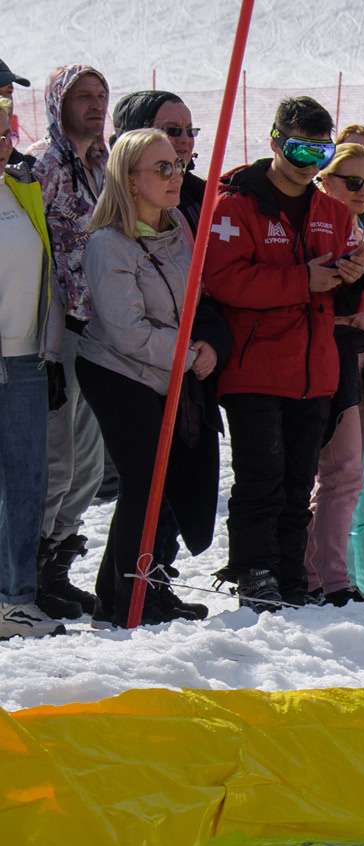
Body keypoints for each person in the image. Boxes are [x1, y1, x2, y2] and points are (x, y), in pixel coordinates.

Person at [203, 96, 364, 610]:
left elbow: (347, 295)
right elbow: (223, 279)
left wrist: (349, 280)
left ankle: (293, 578)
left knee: (300, 483)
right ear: (275, 141)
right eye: (298, 148)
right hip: (255, 367)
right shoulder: (235, 204)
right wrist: (304, 280)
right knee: (261, 478)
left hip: (314, 368)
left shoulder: (333, 210)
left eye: (321, 152)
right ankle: (255, 573)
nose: (308, 163)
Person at [75, 128, 225, 624]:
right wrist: (188, 357)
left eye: (178, 165)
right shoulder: (107, 244)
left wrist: (208, 345)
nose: (175, 175)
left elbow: (196, 298)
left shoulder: (180, 223)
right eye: (162, 168)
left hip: (169, 370)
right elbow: (129, 334)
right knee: (145, 481)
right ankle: (130, 599)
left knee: (169, 482)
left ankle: (138, 588)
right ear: (130, 181)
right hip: (120, 372)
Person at [25, 64, 109, 622]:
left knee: (91, 464)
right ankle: (27, 572)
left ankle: (59, 562)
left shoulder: (103, 163)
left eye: (102, 96)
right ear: (59, 102)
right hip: (55, 330)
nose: (96, 105)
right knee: (57, 460)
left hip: (100, 325)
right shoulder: (44, 164)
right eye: (83, 96)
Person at [0, 80, 66, 638]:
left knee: (25, 483)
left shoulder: (20, 188)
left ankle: (15, 600)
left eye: (5, 134)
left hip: (24, 359)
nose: (4, 145)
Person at [304, 141, 364, 604]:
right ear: (323, 179)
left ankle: (331, 577)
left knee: (349, 473)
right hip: (313, 355)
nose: (363, 192)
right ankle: (314, 576)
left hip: (355, 357)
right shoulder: (314, 223)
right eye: (351, 182)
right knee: (321, 472)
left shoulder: (359, 230)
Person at [110, 91, 204, 226]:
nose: (185, 139)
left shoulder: (198, 195)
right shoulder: (105, 207)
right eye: (172, 130)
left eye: (190, 131)